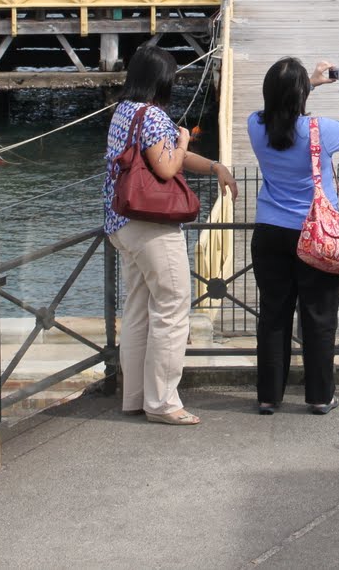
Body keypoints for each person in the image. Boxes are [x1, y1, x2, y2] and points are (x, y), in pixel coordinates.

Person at [103, 45, 237, 426]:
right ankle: (162, 402)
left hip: (121, 222)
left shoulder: (123, 111)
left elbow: (160, 157)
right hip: (152, 226)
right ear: (163, 81)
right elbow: (166, 167)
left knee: (139, 308)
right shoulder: (154, 115)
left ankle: (135, 396)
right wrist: (181, 140)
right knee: (173, 306)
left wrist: (213, 165)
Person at [249, 57, 339, 415]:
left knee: (273, 315)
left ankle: (269, 396)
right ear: (300, 96)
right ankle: (319, 395)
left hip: (269, 232)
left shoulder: (256, 124)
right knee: (317, 315)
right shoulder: (318, 130)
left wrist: (308, 84)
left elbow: (279, 106)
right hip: (315, 233)